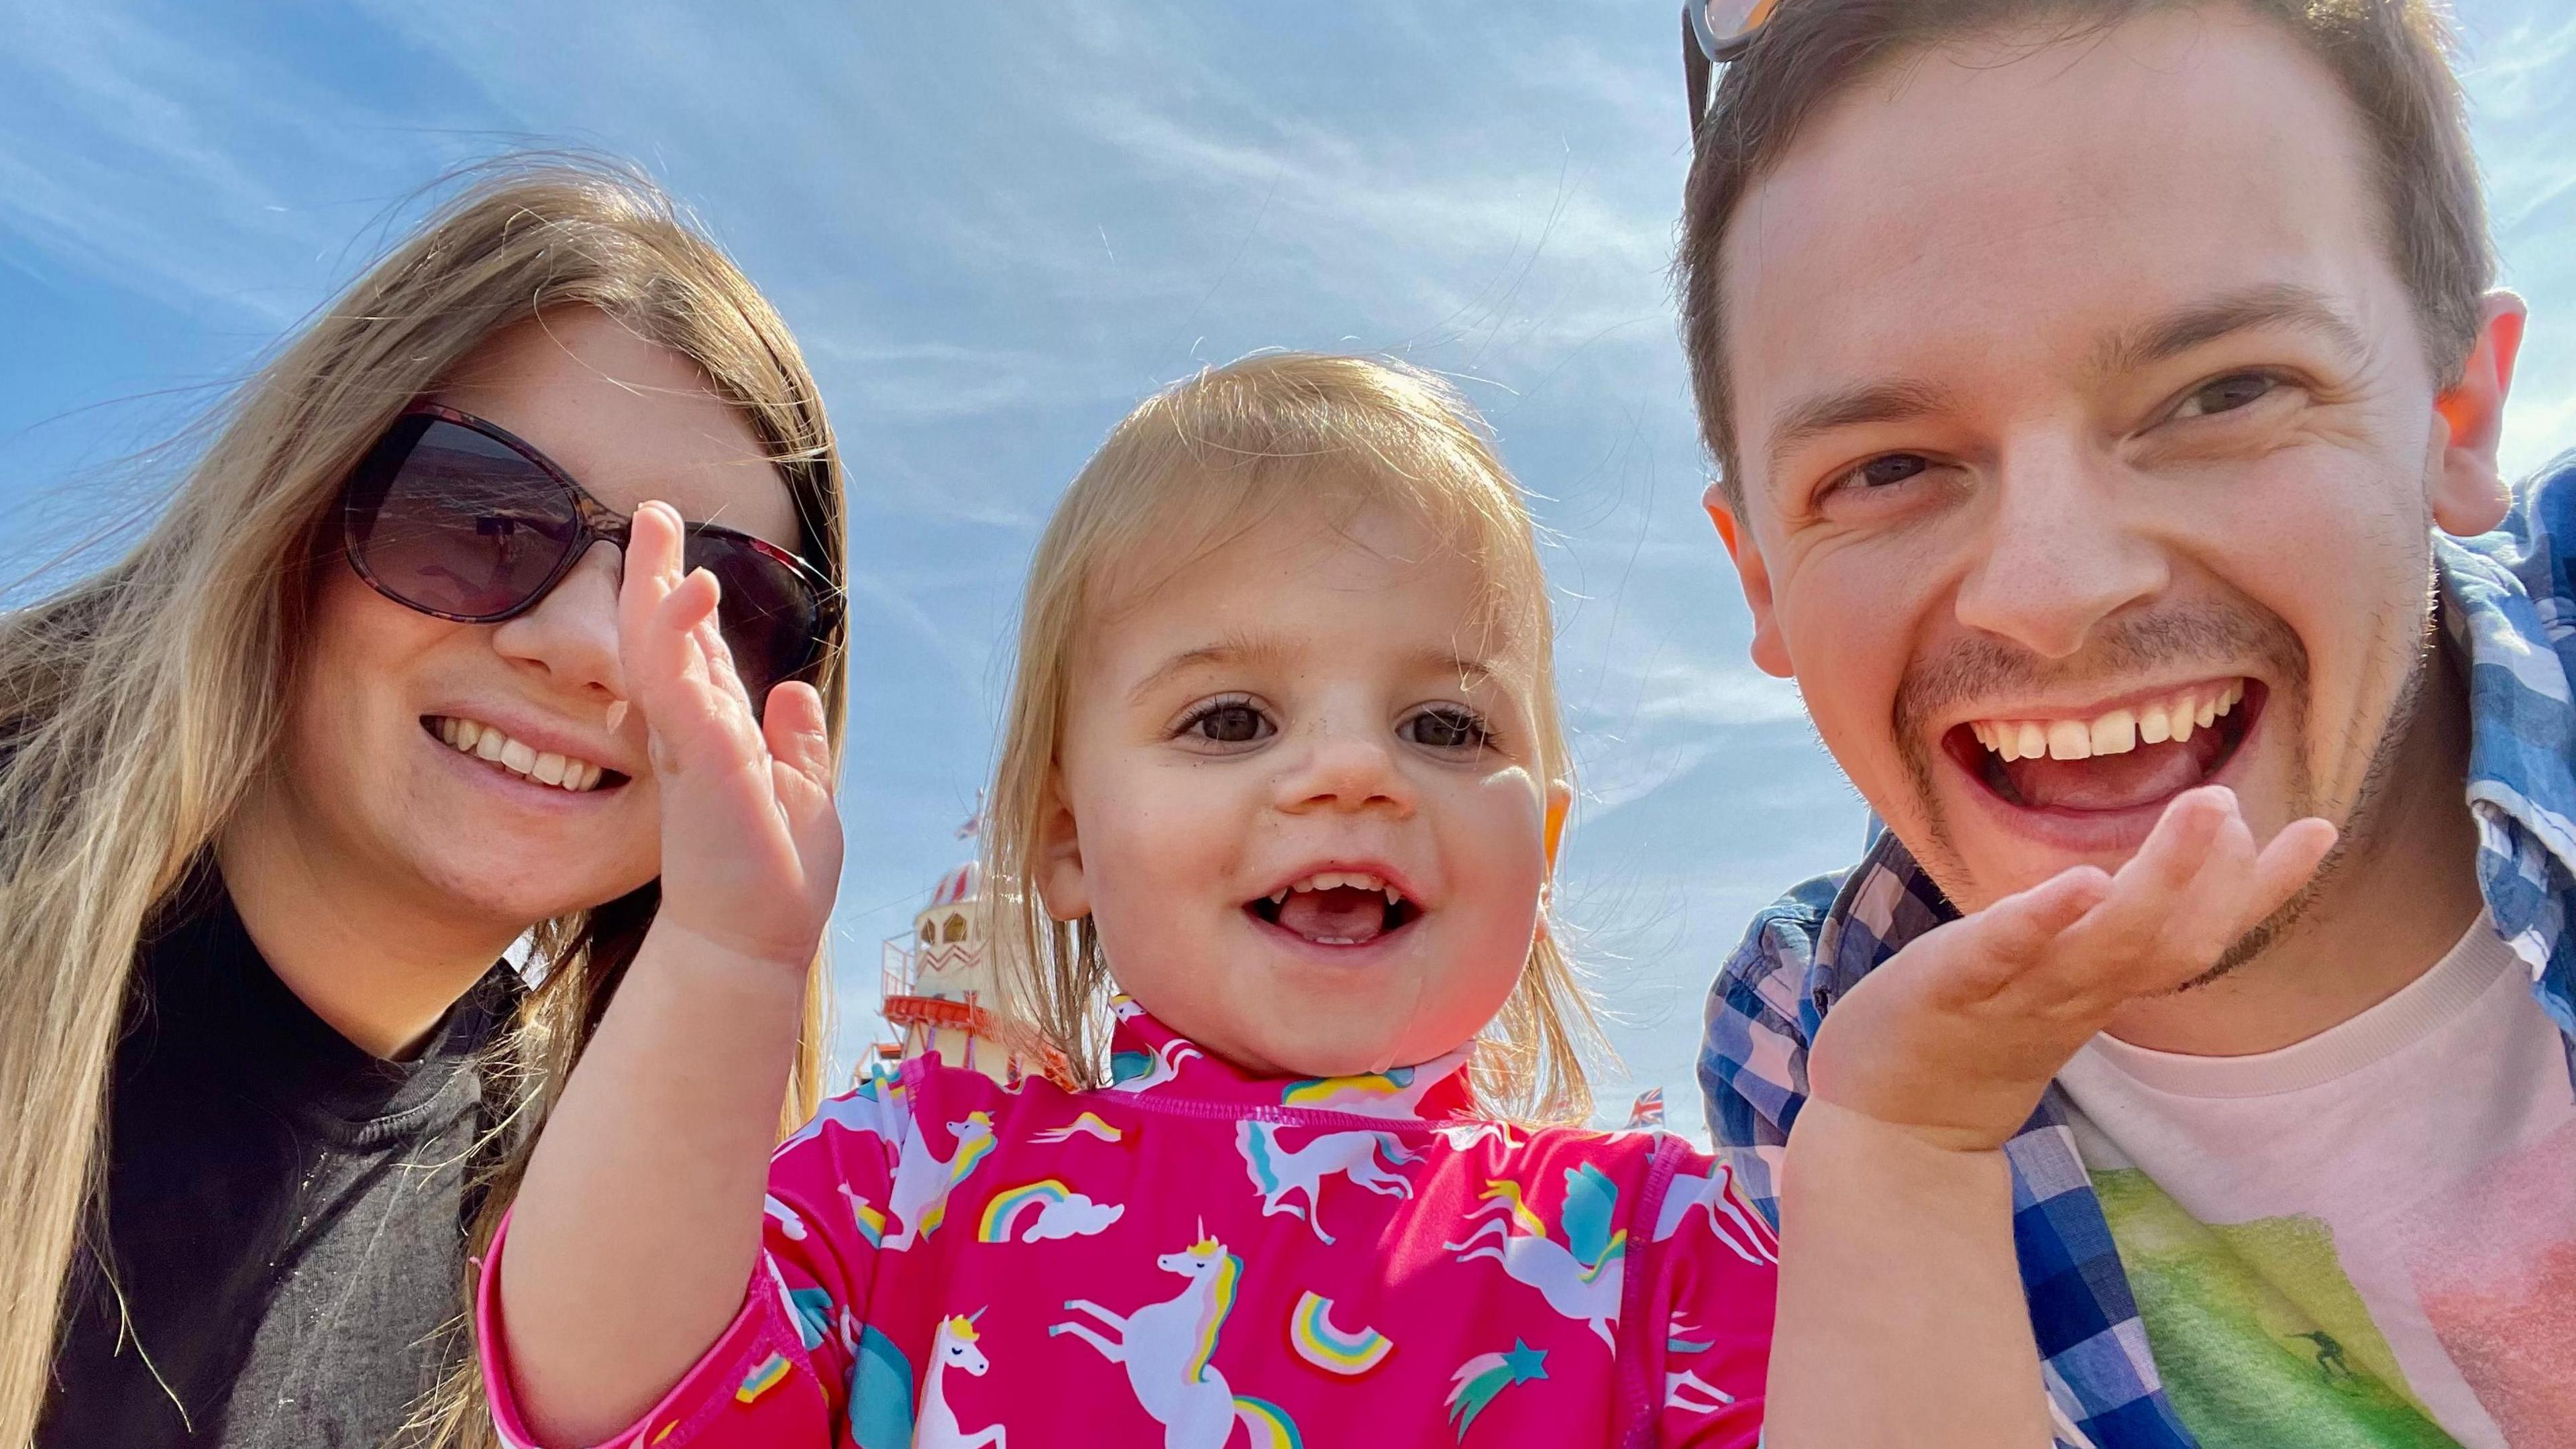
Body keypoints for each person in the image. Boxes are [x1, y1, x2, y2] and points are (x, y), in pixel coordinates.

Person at [476, 354, 1780, 1447]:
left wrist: (1915, 1160)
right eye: (1231, 719)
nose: (1352, 772)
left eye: (1444, 722)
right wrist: (723, 959)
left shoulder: (1666, 1254)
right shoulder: (921, 1179)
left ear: (1542, 844)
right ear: (1065, 837)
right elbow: (612, 1389)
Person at [1679, 1, 2565, 1445]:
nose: (2054, 594)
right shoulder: (1810, 1035)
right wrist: (1899, 1154)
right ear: (1761, 576)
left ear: (2456, 415)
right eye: (1889, 467)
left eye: (2223, 392)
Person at [1, 158, 849, 1448]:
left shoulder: (603, 1243)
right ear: (296, 508)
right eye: (481, 512)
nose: (598, 650)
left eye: (720, 608)